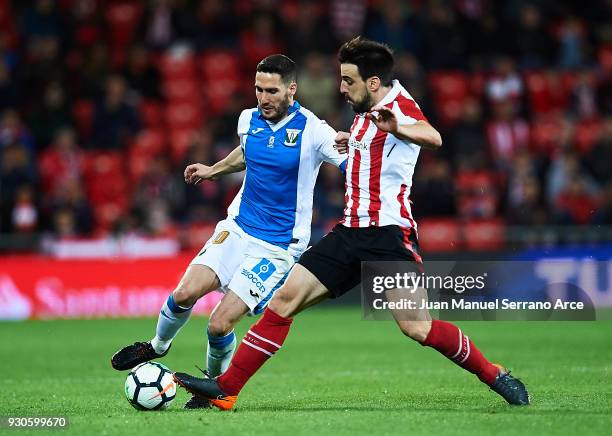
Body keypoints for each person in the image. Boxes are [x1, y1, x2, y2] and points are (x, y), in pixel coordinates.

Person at [173, 37, 530, 410]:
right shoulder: (364, 110)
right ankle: (226, 389)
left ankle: (494, 374)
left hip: (389, 235)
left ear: (373, 82)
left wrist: (400, 128)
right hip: (349, 231)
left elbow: (433, 137)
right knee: (283, 300)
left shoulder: (399, 106)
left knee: (417, 327)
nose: (341, 88)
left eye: (348, 81)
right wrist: (350, 144)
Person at [110, 54, 347, 408]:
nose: (263, 98)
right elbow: (247, 152)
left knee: (219, 325)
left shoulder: (314, 131)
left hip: (277, 246)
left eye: (271, 90)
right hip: (236, 228)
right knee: (185, 293)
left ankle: (210, 387)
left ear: (291, 90)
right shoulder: (247, 119)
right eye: (258, 89)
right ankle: (157, 346)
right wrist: (213, 170)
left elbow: (347, 160)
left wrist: (353, 145)